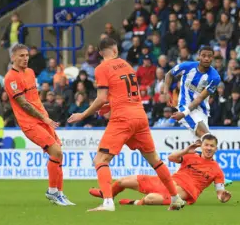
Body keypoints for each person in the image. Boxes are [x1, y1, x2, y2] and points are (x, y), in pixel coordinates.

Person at [67, 37, 185, 212]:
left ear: (100, 53)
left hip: (123, 118)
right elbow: (122, 93)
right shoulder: (126, 65)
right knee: (155, 161)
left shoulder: (101, 68)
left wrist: (83, 114)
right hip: (140, 115)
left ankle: (107, 202)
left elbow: (101, 98)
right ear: (115, 51)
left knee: (100, 160)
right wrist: (109, 105)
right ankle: (175, 198)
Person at [4, 44, 74, 206]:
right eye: (21, 55)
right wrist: (45, 117)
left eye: (27, 55)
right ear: (13, 57)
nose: (25, 58)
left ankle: (60, 193)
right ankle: (52, 191)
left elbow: (34, 97)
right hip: (29, 123)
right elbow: (24, 104)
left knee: (59, 153)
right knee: (56, 151)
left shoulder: (30, 72)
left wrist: (45, 114)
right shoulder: (10, 78)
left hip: (42, 118)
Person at [89, 134, 231, 206]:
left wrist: (222, 197)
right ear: (202, 146)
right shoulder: (191, 156)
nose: (208, 148)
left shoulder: (217, 170)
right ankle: (108, 196)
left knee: (150, 199)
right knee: (121, 181)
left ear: (216, 149)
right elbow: (171, 158)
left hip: (181, 193)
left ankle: (135, 203)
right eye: (206, 145)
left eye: (212, 146)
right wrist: (186, 150)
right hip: (166, 182)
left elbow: (219, 192)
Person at [162, 45, 233, 186]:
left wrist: (184, 113)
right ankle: (219, 179)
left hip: (200, 110)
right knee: (208, 138)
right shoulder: (187, 66)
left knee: (198, 145)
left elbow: (199, 99)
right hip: (184, 107)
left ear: (212, 58)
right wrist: (165, 92)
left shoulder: (214, 77)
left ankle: (176, 178)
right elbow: (169, 74)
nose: (206, 58)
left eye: (209, 56)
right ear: (199, 56)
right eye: (204, 55)